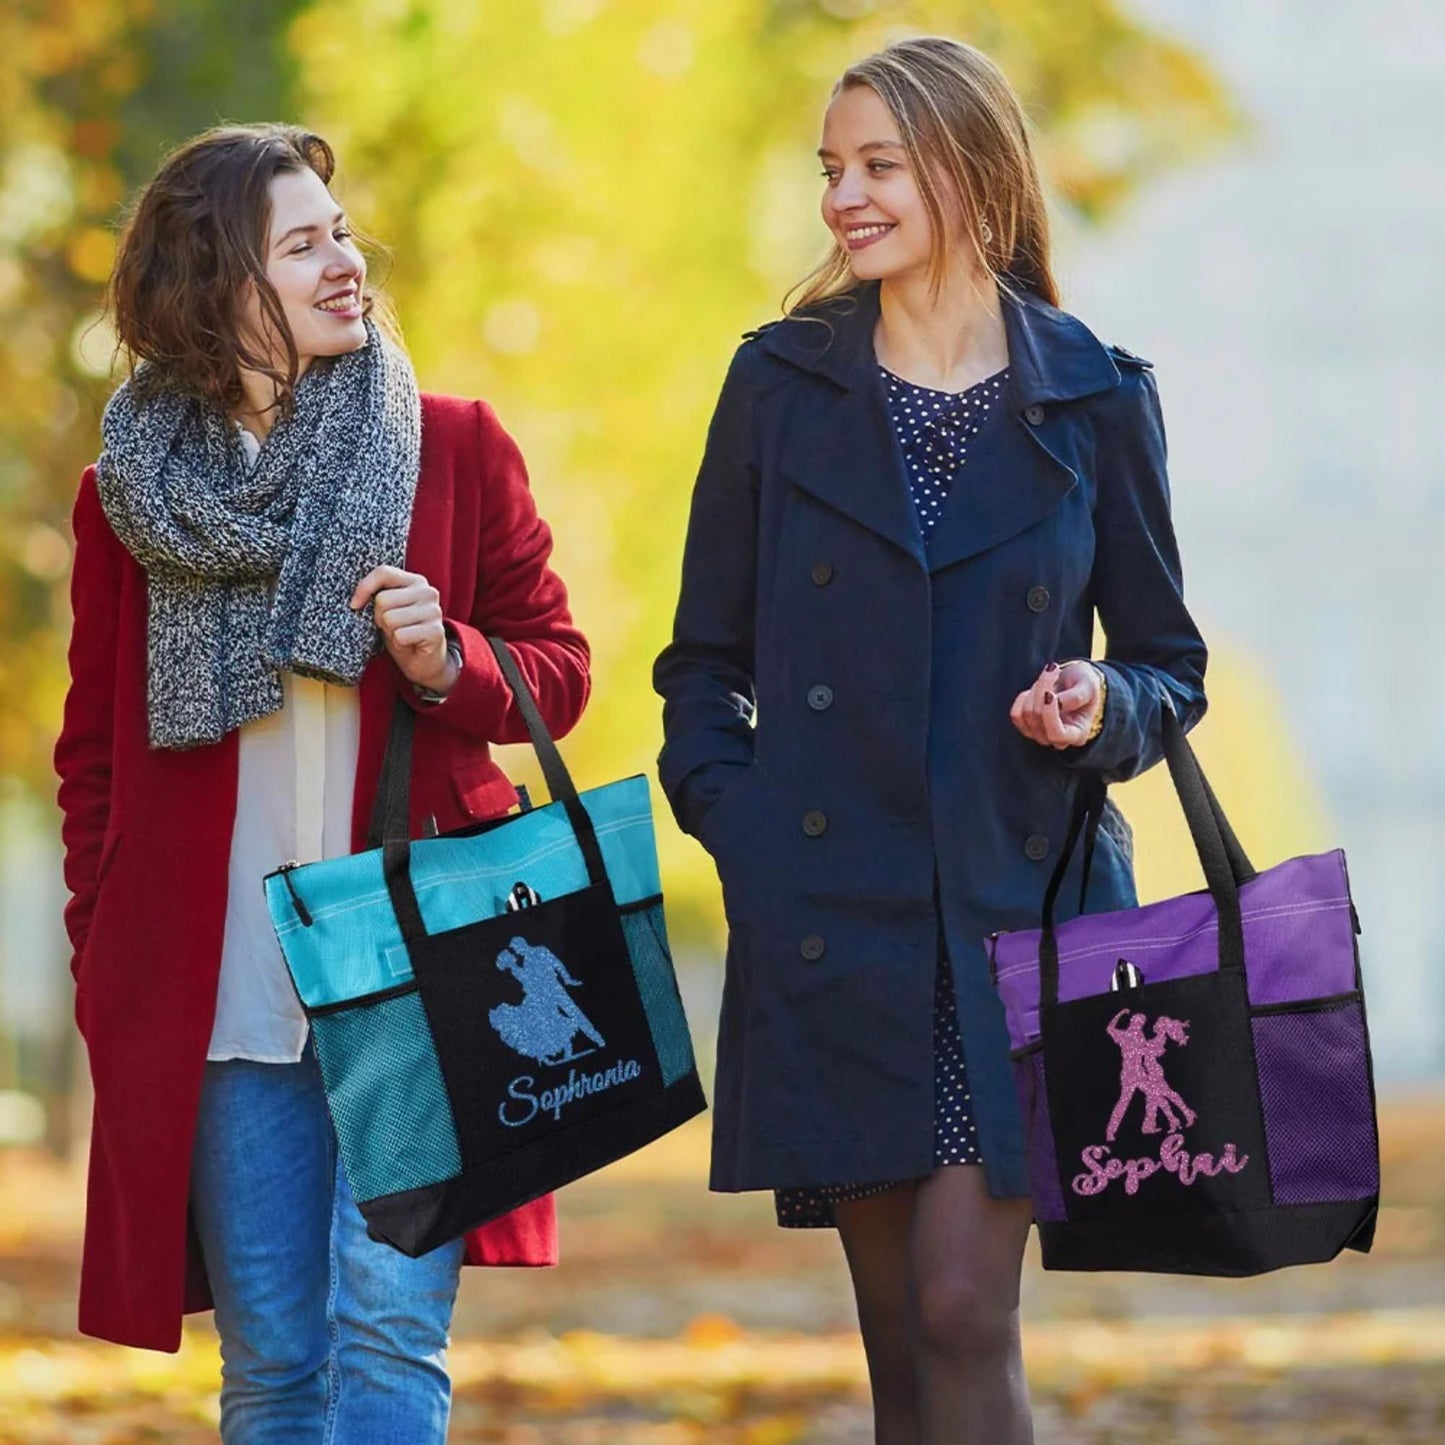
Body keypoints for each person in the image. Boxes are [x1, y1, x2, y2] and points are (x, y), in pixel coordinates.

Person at [654, 36, 1207, 1444]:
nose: (842, 196)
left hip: (1020, 912)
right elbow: (703, 665)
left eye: (877, 166)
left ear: (969, 171)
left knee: (965, 1309)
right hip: (835, 914)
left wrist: (1101, 704)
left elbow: (1168, 667)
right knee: (901, 1336)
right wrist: (748, 829)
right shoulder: (780, 384)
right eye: (831, 169)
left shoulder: (1093, 393)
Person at [53, 124, 589, 1441]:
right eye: (301, 246)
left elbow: (559, 671)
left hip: (422, 969)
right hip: (224, 988)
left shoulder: (451, 448)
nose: (346, 262)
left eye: (341, 235)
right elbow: (95, 761)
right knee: (275, 1362)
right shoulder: (130, 498)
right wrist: (104, 949)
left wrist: (446, 657)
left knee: (390, 1331)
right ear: (213, 284)